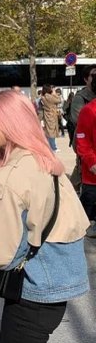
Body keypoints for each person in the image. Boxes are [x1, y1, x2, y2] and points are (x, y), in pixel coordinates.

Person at [0, 91, 89, 343]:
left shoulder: (11, 175)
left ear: (10, 122)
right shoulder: (45, 160)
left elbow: (2, 253)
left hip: (33, 292)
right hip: (58, 287)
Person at [75, 85, 96, 238]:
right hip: (93, 176)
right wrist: (92, 163)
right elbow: (82, 141)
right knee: (86, 217)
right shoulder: (88, 110)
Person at [40, 84, 60, 152]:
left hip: (46, 114)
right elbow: (59, 100)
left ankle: (49, 147)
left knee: (48, 132)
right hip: (52, 115)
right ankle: (53, 147)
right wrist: (54, 94)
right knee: (51, 132)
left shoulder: (43, 97)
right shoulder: (49, 96)